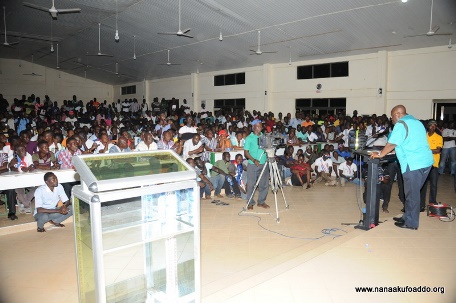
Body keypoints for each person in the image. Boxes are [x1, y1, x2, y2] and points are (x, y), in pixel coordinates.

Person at [371, 105, 433, 230]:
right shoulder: (418, 123)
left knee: (412, 194)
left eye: (392, 117)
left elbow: (392, 143)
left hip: (414, 163)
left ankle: (411, 223)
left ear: (398, 114)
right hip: (426, 162)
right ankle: (407, 216)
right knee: (412, 192)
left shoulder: (401, 124)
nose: (391, 120)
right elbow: (411, 141)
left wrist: (380, 154)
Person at [244, 119, 270, 210]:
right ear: (253, 127)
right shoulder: (249, 138)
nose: (259, 128)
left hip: (263, 164)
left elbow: (267, 148)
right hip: (252, 164)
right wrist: (253, 160)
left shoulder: (264, 137)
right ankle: (250, 202)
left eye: (260, 126)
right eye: (257, 126)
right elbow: (246, 152)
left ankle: (261, 201)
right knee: (251, 184)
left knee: (264, 184)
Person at [420, 120, 443, 208]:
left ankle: (432, 202)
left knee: (433, 184)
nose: (433, 127)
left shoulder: (438, 137)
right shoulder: (423, 137)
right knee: (423, 185)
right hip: (424, 163)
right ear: (428, 126)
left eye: (434, 126)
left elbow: (438, 150)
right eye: (431, 126)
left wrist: (426, 151)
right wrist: (431, 150)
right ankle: (421, 204)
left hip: (434, 164)